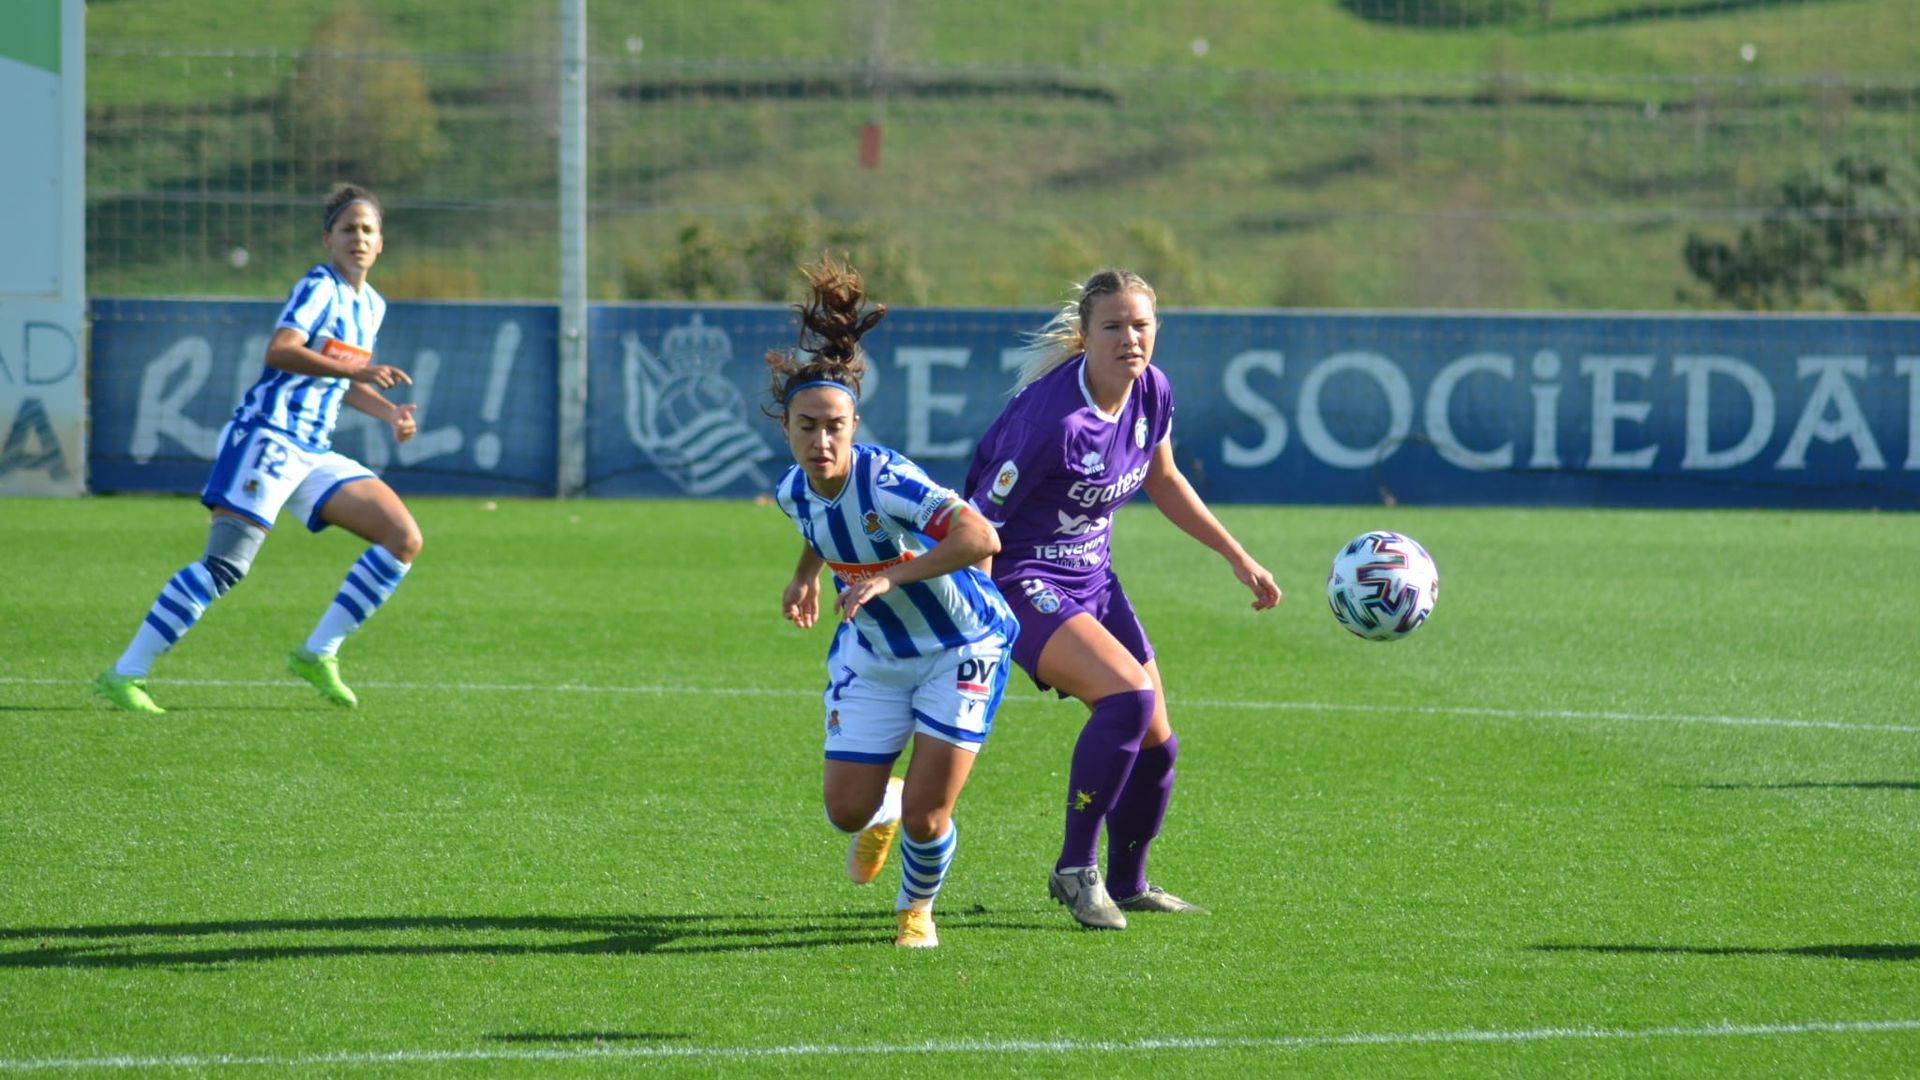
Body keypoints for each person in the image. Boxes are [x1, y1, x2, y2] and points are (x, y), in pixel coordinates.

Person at [963, 268, 1282, 930]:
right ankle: (1076, 870)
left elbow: (1163, 479)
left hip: (1094, 579)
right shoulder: (1049, 420)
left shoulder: (1151, 392)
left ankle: (1129, 882)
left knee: (1158, 744)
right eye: (1113, 326)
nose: (1129, 338)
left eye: (1141, 325)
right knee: (1128, 699)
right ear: (1086, 335)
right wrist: (966, 616)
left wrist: (1236, 555)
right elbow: (977, 524)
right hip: (1022, 580)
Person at [94, 183, 423, 714]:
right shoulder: (319, 287)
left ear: (381, 243)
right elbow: (283, 350)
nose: (357, 238)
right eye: (347, 229)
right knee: (224, 567)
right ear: (328, 239)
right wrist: (356, 368)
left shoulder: (373, 306)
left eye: (367, 230)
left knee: (402, 537)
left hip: (314, 450)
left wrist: (389, 413)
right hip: (268, 437)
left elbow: (339, 377)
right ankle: (125, 674)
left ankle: (317, 653)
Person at [768, 254, 1018, 949]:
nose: (822, 440)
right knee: (844, 811)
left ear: (854, 427)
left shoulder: (888, 481)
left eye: (835, 427)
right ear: (786, 428)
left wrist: (893, 576)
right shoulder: (792, 488)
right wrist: (806, 576)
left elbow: (980, 534)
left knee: (929, 817)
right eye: (808, 426)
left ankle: (916, 909)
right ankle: (884, 807)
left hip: (959, 647)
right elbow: (821, 525)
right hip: (877, 651)